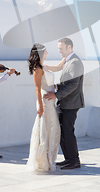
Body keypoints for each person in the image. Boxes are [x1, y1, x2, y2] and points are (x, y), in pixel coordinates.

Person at [44, 37, 84, 170]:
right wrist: (58, 87)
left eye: (61, 49)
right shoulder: (68, 61)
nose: (59, 51)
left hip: (71, 104)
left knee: (68, 132)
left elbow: (73, 85)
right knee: (61, 131)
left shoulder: (75, 62)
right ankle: (68, 159)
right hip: (64, 103)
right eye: (59, 49)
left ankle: (74, 160)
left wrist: (56, 94)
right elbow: (67, 81)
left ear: (69, 47)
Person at [25, 43, 65, 172]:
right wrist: (40, 106)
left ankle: (48, 158)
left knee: (52, 128)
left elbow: (59, 67)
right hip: (44, 100)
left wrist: (68, 55)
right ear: (41, 53)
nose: (48, 53)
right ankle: (42, 158)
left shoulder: (44, 66)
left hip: (50, 100)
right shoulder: (37, 69)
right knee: (45, 128)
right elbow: (37, 88)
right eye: (46, 51)